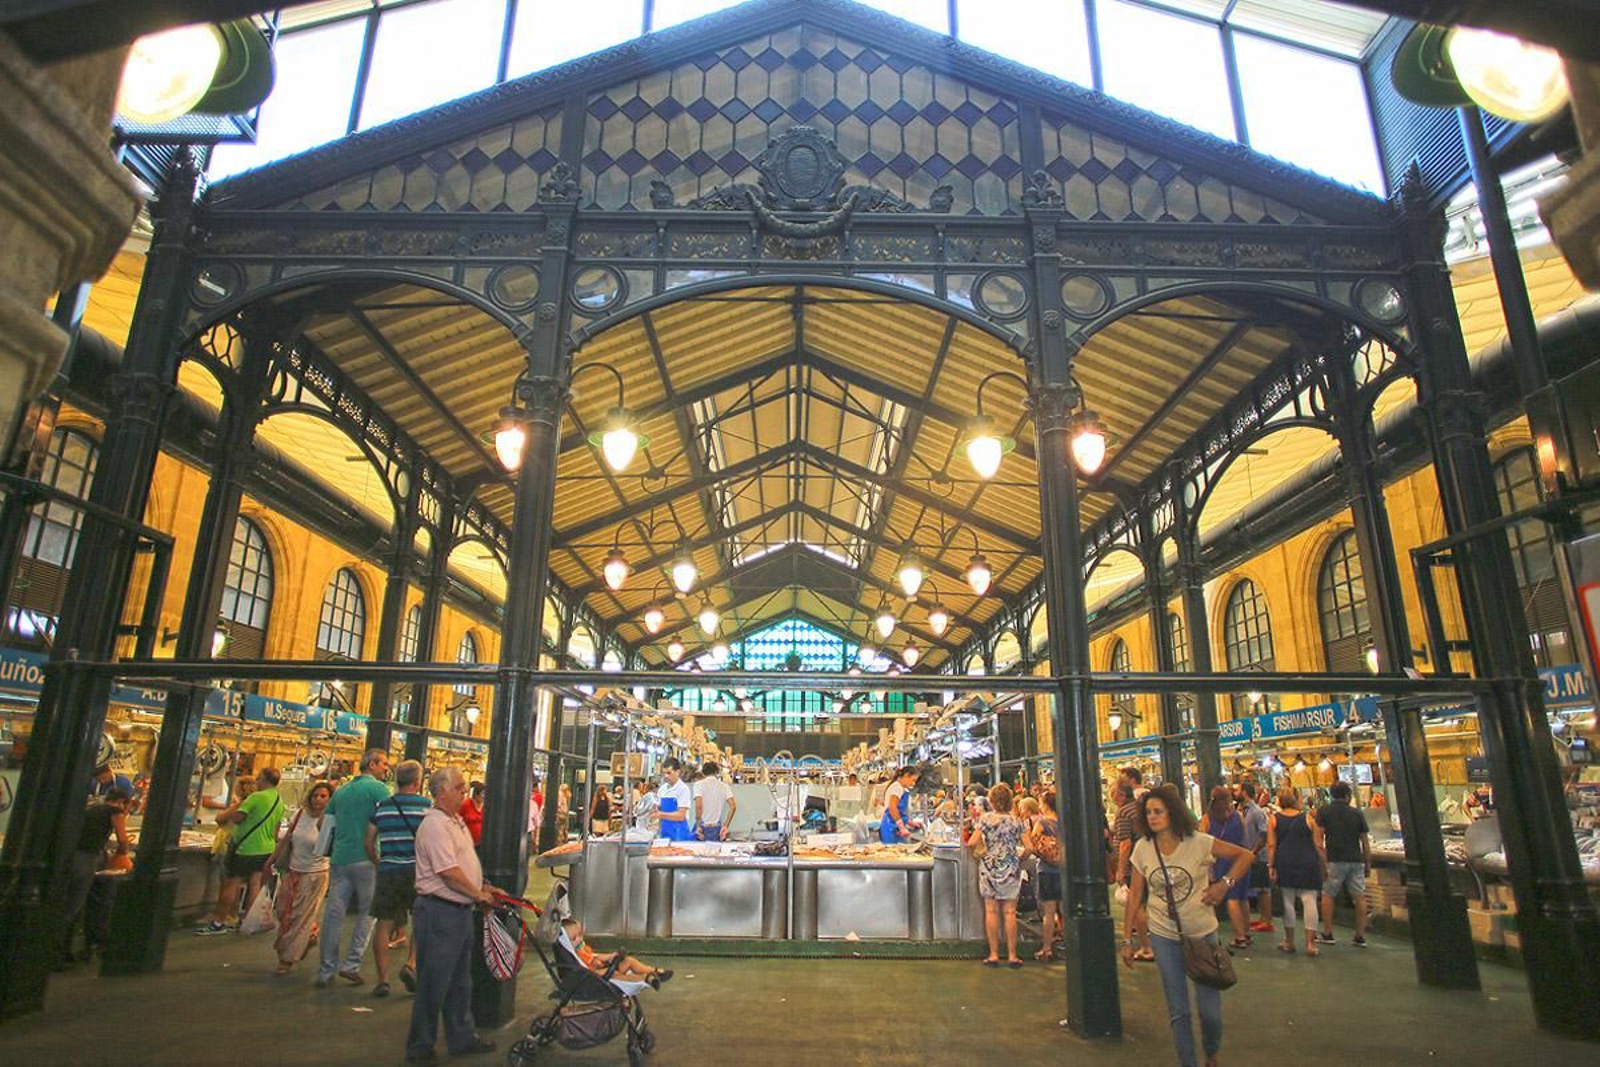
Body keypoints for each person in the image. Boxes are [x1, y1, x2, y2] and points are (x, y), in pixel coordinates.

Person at [1122, 784, 1253, 1067]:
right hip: (1163, 935)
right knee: (1178, 1010)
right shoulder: (1143, 848)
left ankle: (1211, 1050)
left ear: (1172, 812)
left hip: (1202, 932)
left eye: (1158, 811)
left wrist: (1224, 885)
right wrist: (1127, 939)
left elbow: (1245, 856)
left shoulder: (1199, 842)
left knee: (1209, 1012)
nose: (1153, 817)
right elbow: (1135, 895)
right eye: (1149, 812)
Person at [406, 767, 498, 1064]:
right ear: (441, 792)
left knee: (460, 981)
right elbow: (447, 871)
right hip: (439, 912)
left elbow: (462, 863)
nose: (464, 792)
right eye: (459, 787)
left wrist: (482, 886)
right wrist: (476, 894)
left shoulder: (455, 822)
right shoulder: (435, 825)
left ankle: (462, 1037)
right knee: (434, 981)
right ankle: (420, 1044)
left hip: (458, 911)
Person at [316, 747, 391, 988]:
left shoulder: (342, 791)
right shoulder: (379, 789)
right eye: (384, 763)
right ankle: (351, 964)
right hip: (367, 858)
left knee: (333, 914)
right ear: (372, 764)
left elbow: (323, 823)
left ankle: (326, 970)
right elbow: (387, 821)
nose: (387, 768)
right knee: (368, 912)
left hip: (340, 858)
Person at [368, 758, 431, 997]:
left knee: (383, 924)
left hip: (389, 871)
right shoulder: (426, 807)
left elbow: (368, 841)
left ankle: (382, 980)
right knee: (421, 920)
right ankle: (411, 964)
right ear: (417, 781)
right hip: (417, 872)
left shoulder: (382, 806)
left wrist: (379, 862)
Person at [197, 767, 282, 935]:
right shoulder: (278, 800)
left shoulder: (256, 798)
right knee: (254, 884)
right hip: (266, 848)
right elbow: (276, 830)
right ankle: (248, 920)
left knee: (231, 884)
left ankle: (218, 922)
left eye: (258, 778)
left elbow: (237, 818)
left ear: (265, 780)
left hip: (246, 848)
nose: (256, 782)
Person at [63, 787, 131, 963]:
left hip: (71, 856)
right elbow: (123, 840)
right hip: (86, 858)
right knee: (75, 904)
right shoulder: (115, 812)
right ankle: (61, 953)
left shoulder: (94, 809)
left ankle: (63, 949)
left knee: (68, 901)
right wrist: (121, 854)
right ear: (122, 802)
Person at [272, 780, 332, 975]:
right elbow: (287, 839)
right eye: (315, 795)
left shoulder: (330, 820)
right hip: (292, 872)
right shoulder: (300, 815)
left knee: (299, 917)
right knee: (283, 912)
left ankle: (286, 958)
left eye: (323, 796)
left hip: (315, 874)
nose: (318, 800)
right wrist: (271, 861)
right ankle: (310, 935)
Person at [968, 783, 1028, 967]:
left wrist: (980, 854)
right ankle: (1012, 956)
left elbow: (972, 842)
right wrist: (1018, 860)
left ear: (992, 801)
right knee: (1010, 912)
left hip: (989, 867)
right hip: (1010, 868)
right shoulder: (1016, 821)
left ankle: (993, 954)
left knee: (991, 911)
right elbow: (1030, 847)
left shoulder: (985, 819)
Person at [1267, 787, 1324, 956]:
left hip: (1285, 862)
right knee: (1309, 900)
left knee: (1288, 901)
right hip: (1308, 861)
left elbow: (1271, 845)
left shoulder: (1273, 820)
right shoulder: (1308, 818)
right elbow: (1319, 844)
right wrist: (1324, 865)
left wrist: (1271, 866)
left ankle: (1289, 941)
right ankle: (1310, 944)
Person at [1316, 781, 1372, 947]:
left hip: (1334, 860)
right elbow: (1365, 842)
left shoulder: (1324, 812)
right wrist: (1368, 863)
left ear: (1331, 795)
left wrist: (1322, 861)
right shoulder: (1357, 813)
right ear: (1348, 796)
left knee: (1328, 895)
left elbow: (1319, 839)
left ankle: (1327, 933)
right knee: (1359, 897)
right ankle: (1360, 936)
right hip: (1355, 860)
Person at [1200, 785, 1251, 951]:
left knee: (1231, 898)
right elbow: (1244, 836)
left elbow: (1203, 841)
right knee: (1242, 897)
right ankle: (1246, 932)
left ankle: (1239, 936)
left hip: (1222, 861)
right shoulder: (1238, 815)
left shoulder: (1207, 818)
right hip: (1241, 858)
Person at [560, 918, 672, 987]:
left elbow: (595, 955)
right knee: (616, 974)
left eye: (580, 935)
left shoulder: (580, 947)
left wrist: (610, 956)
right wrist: (601, 961)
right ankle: (645, 978)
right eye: (574, 938)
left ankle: (654, 971)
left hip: (599, 971)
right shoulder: (577, 953)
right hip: (592, 976)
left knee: (628, 961)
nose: (579, 939)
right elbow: (594, 960)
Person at [1111, 781, 1153, 962]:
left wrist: (1120, 869)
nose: (1111, 797)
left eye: (1112, 793)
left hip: (1134, 865)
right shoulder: (1139, 809)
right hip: (1150, 862)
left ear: (1120, 794)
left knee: (1136, 905)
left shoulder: (1124, 813)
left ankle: (1146, 947)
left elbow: (1125, 843)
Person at [1026, 788, 1063, 960]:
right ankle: (1068, 944)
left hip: (1047, 870)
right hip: (1063, 870)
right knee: (1064, 910)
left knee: (1049, 912)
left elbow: (1033, 846)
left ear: (1046, 805)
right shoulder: (1064, 822)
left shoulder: (1042, 824)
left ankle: (1047, 948)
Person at [1235, 776, 1273, 936]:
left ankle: (1267, 920)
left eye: (1238, 790)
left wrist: (1255, 852)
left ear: (1244, 792)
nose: (1235, 792)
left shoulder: (1257, 812)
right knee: (1258, 887)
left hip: (1258, 856)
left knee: (1264, 888)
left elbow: (1264, 834)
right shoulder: (1244, 810)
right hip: (1250, 855)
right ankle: (1262, 918)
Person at [693, 761, 736, 841]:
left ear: (703, 773)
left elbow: (698, 806)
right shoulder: (724, 786)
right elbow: (733, 807)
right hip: (716, 827)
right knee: (715, 848)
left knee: (699, 848)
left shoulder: (698, 785)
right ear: (717, 773)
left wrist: (698, 826)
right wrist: (726, 826)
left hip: (702, 826)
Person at [879, 766, 920, 843]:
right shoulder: (897, 787)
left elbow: (900, 812)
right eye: (913, 780)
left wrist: (909, 822)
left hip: (895, 826)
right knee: (892, 849)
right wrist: (901, 827)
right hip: (890, 826)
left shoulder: (901, 788)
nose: (913, 784)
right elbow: (892, 807)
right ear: (906, 775)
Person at [655, 759, 693, 841]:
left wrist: (660, 814)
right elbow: (658, 808)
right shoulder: (662, 789)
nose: (666, 776)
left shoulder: (683, 789)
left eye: (669, 773)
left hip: (679, 833)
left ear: (677, 772)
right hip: (665, 832)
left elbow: (681, 816)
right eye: (664, 773)